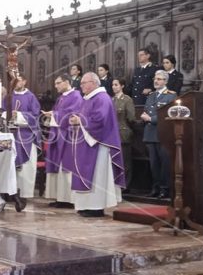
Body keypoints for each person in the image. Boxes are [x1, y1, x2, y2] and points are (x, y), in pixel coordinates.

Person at [61, 72, 124, 217]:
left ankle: (96, 207)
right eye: (81, 83)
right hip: (87, 143)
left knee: (97, 175)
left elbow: (99, 120)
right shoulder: (88, 99)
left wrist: (80, 121)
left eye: (84, 83)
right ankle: (86, 206)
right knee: (87, 173)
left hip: (99, 144)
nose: (81, 85)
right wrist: (74, 120)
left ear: (94, 83)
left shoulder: (102, 98)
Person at [41, 75, 83, 207]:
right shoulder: (61, 97)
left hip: (68, 137)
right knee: (56, 166)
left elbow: (73, 114)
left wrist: (53, 115)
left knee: (66, 167)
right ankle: (59, 197)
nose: (56, 86)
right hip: (57, 135)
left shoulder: (76, 96)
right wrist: (51, 114)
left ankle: (68, 200)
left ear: (66, 82)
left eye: (58, 83)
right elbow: (58, 113)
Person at [4, 74, 41, 203]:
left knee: (26, 167)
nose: (16, 83)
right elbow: (2, 112)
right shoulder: (8, 97)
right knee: (9, 164)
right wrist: (7, 115)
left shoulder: (30, 97)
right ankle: (11, 191)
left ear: (24, 82)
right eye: (14, 81)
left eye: (18, 81)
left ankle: (24, 193)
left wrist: (19, 115)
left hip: (26, 135)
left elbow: (36, 115)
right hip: (11, 134)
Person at [140, 70, 176, 199]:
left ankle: (164, 189)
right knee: (153, 164)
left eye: (160, 79)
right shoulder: (151, 95)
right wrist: (144, 116)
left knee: (164, 164)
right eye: (155, 78)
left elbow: (168, 114)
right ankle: (155, 187)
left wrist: (151, 119)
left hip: (163, 134)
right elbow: (146, 110)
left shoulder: (171, 96)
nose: (156, 81)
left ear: (166, 81)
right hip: (150, 133)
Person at [112, 78, 135, 193]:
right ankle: (116, 183)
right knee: (115, 160)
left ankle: (126, 185)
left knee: (125, 162)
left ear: (122, 86)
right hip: (113, 134)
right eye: (113, 85)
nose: (114, 87)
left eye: (116, 85)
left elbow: (131, 118)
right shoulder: (111, 100)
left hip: (123, 133)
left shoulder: (127, 100)